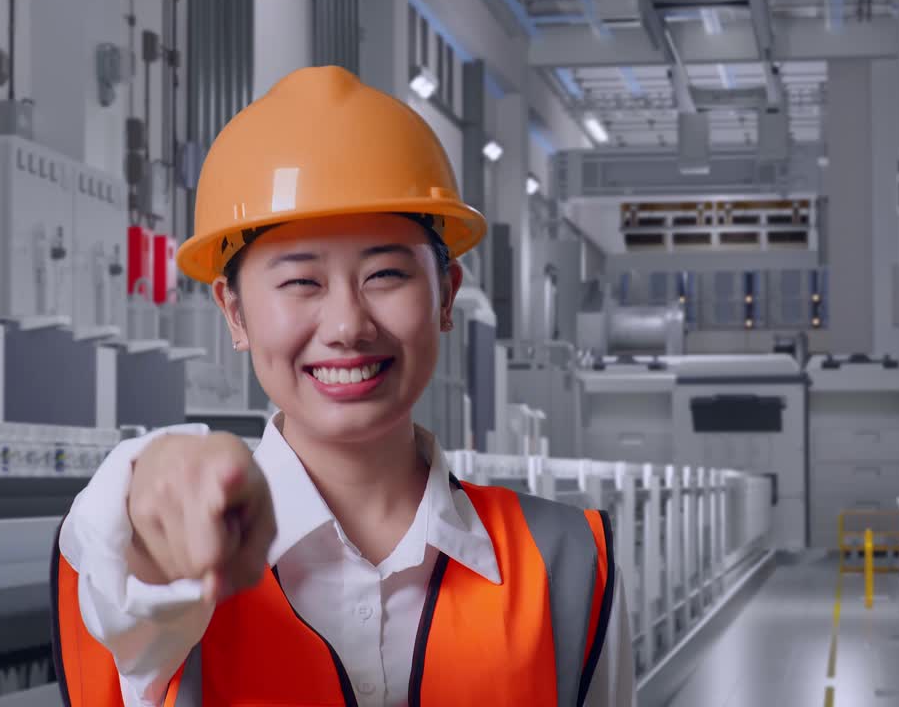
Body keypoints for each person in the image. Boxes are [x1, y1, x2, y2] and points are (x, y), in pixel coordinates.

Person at [50, 66, 635, 706]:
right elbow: (117, 557)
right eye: (301, 281)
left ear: (447, 298)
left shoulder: (568, 561)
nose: (348, 325)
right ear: (235, 312)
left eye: (385, 273)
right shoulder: (165, 563)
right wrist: (153, 484)